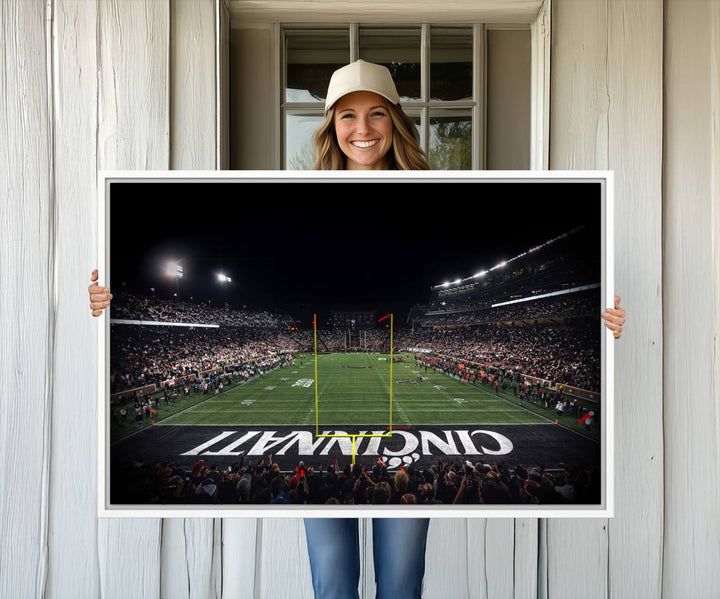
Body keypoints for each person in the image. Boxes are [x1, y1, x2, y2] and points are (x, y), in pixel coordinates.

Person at [87, 59, 627, 599]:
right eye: (347, 116)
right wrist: (103, 306)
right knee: (333, 582)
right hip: (324, 468)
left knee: (400, 582)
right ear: (330, 126)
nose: (362, 129)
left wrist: (601, 323)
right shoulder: (301, 192)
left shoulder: (438, 190)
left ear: (396, 121)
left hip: (401, 464)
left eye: (376, 114)